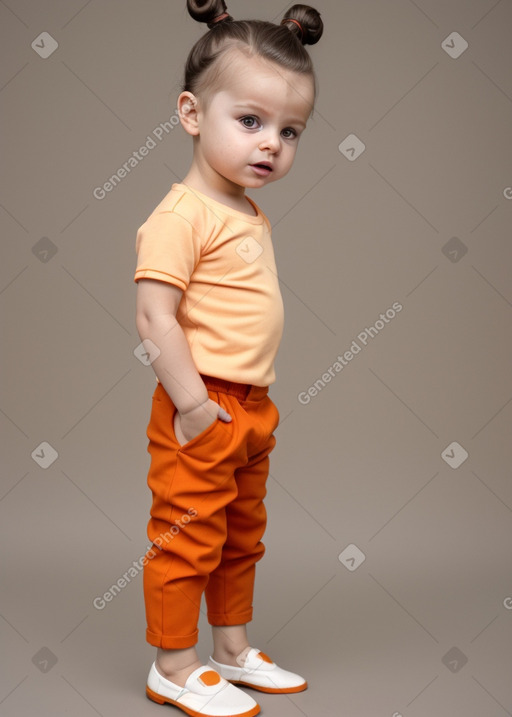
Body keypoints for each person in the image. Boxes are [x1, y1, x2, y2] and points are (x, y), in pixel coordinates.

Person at [134, 2, 323, 715]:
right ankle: (172, 663)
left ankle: (231, 649)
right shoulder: (181, 213)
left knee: (241, 534)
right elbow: (155, 317)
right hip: (202, 402)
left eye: (289, 130)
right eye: (250, 121)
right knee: (187, 533)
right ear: (191, 113)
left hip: (252, 405)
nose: (271, 143)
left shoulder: (245, 208)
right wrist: (190, 406)